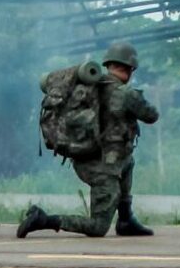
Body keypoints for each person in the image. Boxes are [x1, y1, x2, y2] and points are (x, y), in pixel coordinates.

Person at [17, 42, 158, 238]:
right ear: (129, 68)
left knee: (127, 160)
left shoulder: (87, 88)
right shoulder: (125, 93)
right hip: (103, 169)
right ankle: (44, 219)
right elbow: (152, 115)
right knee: (98, 226)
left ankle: (126, 220)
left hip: (87, 158)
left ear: (108, 64)